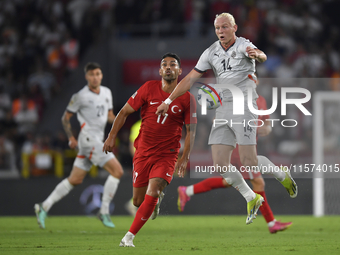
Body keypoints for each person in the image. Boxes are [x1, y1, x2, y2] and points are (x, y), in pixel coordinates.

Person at [156, 13, 297, 224]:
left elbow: (261, 55)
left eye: (224, 27)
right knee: (220, 164)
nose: (221, 31)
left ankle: (281, 175)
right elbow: (190, 78)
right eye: (217, 28)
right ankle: (251, 198)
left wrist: (258, 55)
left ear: (234, 28)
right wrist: (168, 100)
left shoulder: (242, 45)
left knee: (249, 161)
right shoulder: (211, 52)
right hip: (222, 108)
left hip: (244, 105)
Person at [103, 53, 197, 247]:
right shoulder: (148, 88)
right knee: (138, 201)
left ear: (180, 71)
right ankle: (154, 200)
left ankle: (128, 237)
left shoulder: (187, 98)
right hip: (143, 153)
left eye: (173, 65)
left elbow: (191, 132)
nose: (169, 67)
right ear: (160, 71)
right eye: (165, 65)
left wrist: (185, 157)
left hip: (167, 154)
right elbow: (124, 112)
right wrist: (112, 135)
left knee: (153, 190)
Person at [177, 94, 293, 234]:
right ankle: (271, 223)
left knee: (228, 181)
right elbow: (218, 119)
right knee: (258, 182)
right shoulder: (236, 97)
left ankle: (187, 191)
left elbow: (267, 124)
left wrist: (266, 129)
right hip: (239, 146)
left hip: (250, 145)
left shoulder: (261, 100)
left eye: (254, 77)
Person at [34, 62, 124, 229]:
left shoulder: (106, 92)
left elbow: (110, 115)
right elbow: (65, 118)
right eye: (92, 74)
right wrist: (70, 137)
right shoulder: (80, 96)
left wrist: (122, 117)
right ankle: (104, 211)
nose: (95, 77)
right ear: (86, 77)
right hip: (90, 140)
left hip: (94, 140)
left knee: (75, 179)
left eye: (98, 74)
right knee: (117, 171)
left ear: (101, 75)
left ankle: (43, 206)